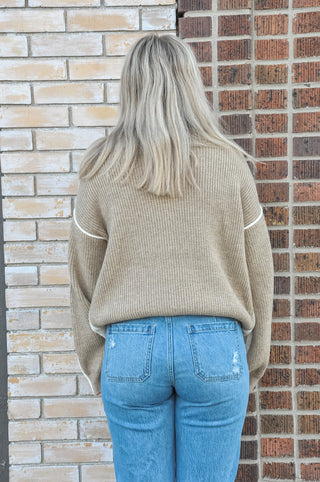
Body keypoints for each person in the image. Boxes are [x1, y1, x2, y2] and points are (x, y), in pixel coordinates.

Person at [68, 32, 274, 482]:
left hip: (131, 346)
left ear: (131, 87)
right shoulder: (229, 165)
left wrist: (99, 363)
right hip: (217, 345)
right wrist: (249, 361)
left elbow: (83, 277)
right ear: (188, 83)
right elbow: (260, 273)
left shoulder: (100, 170)